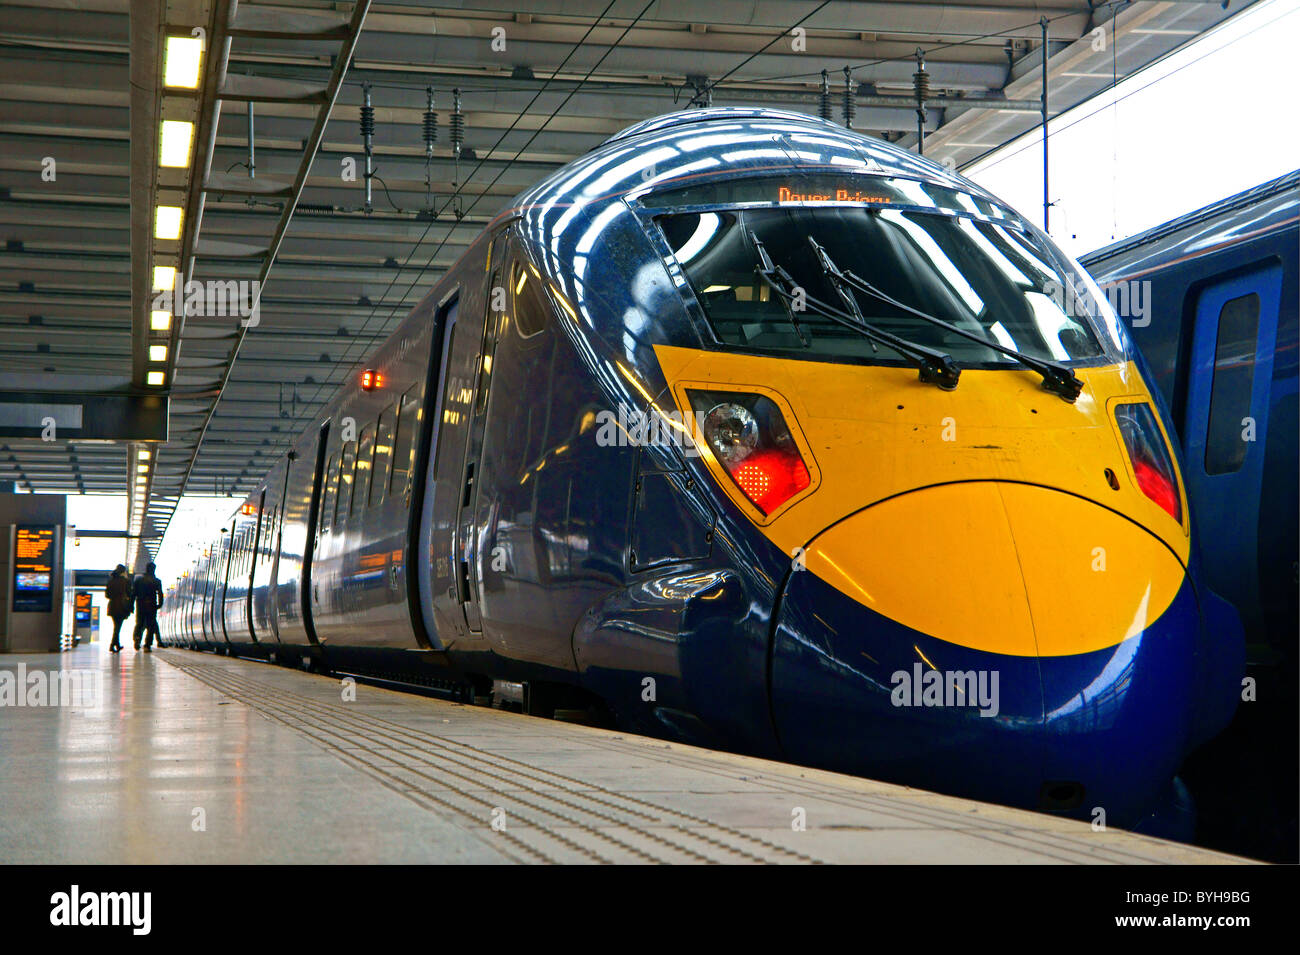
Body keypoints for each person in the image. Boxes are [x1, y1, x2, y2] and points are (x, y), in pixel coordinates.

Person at [132, 562, 164, 652]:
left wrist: (131, 605)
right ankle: (147, 645)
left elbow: (133, 594)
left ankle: (137, 638)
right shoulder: (156, 581)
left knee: (139, 623)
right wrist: (160, 604)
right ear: (154, 569)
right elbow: (160, 594)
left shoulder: (139, 580)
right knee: (151, 625)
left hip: (140, 605)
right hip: (151, 605)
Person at [104, 564, 132, 653]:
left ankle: (117, 644)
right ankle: (112, 645)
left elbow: (107, 595)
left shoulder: (110, 581)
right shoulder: (126, 581)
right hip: (122, 606)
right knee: (117, 627)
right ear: (123, 572)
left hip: (112, 606)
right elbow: (130, 594)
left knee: (116, 626)